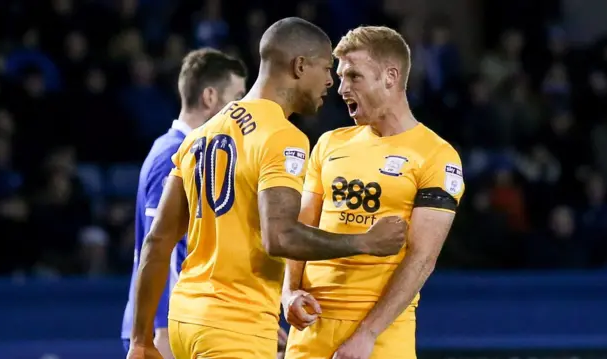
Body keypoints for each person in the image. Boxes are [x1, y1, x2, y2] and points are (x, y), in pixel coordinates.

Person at [126, 18, 407, 359]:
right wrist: (363, 242)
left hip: (186, 320)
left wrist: (141, 339)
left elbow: (157, 240)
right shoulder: (282, 136)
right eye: (326, 68)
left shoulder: (203, 134)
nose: (332, 81)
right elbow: (281, 237)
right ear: (299, 66)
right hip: (235, 325)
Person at [282, 26, 465, 359]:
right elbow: (300, 231)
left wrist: (367, 334)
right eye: (339, 77)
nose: (341, 89)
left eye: (354, 76)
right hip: (310, 332)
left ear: (390, 77)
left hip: (379, 340)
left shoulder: (437, 156)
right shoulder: (328, 144)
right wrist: (289, 292)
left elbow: (422, 259)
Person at [121, 48, 247, 358]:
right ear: (209, 97)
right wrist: (162, 330)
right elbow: (161, 248)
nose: (244, 109)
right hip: (163, 331)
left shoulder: (192, 152)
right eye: (238, 97)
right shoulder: (173, 156)